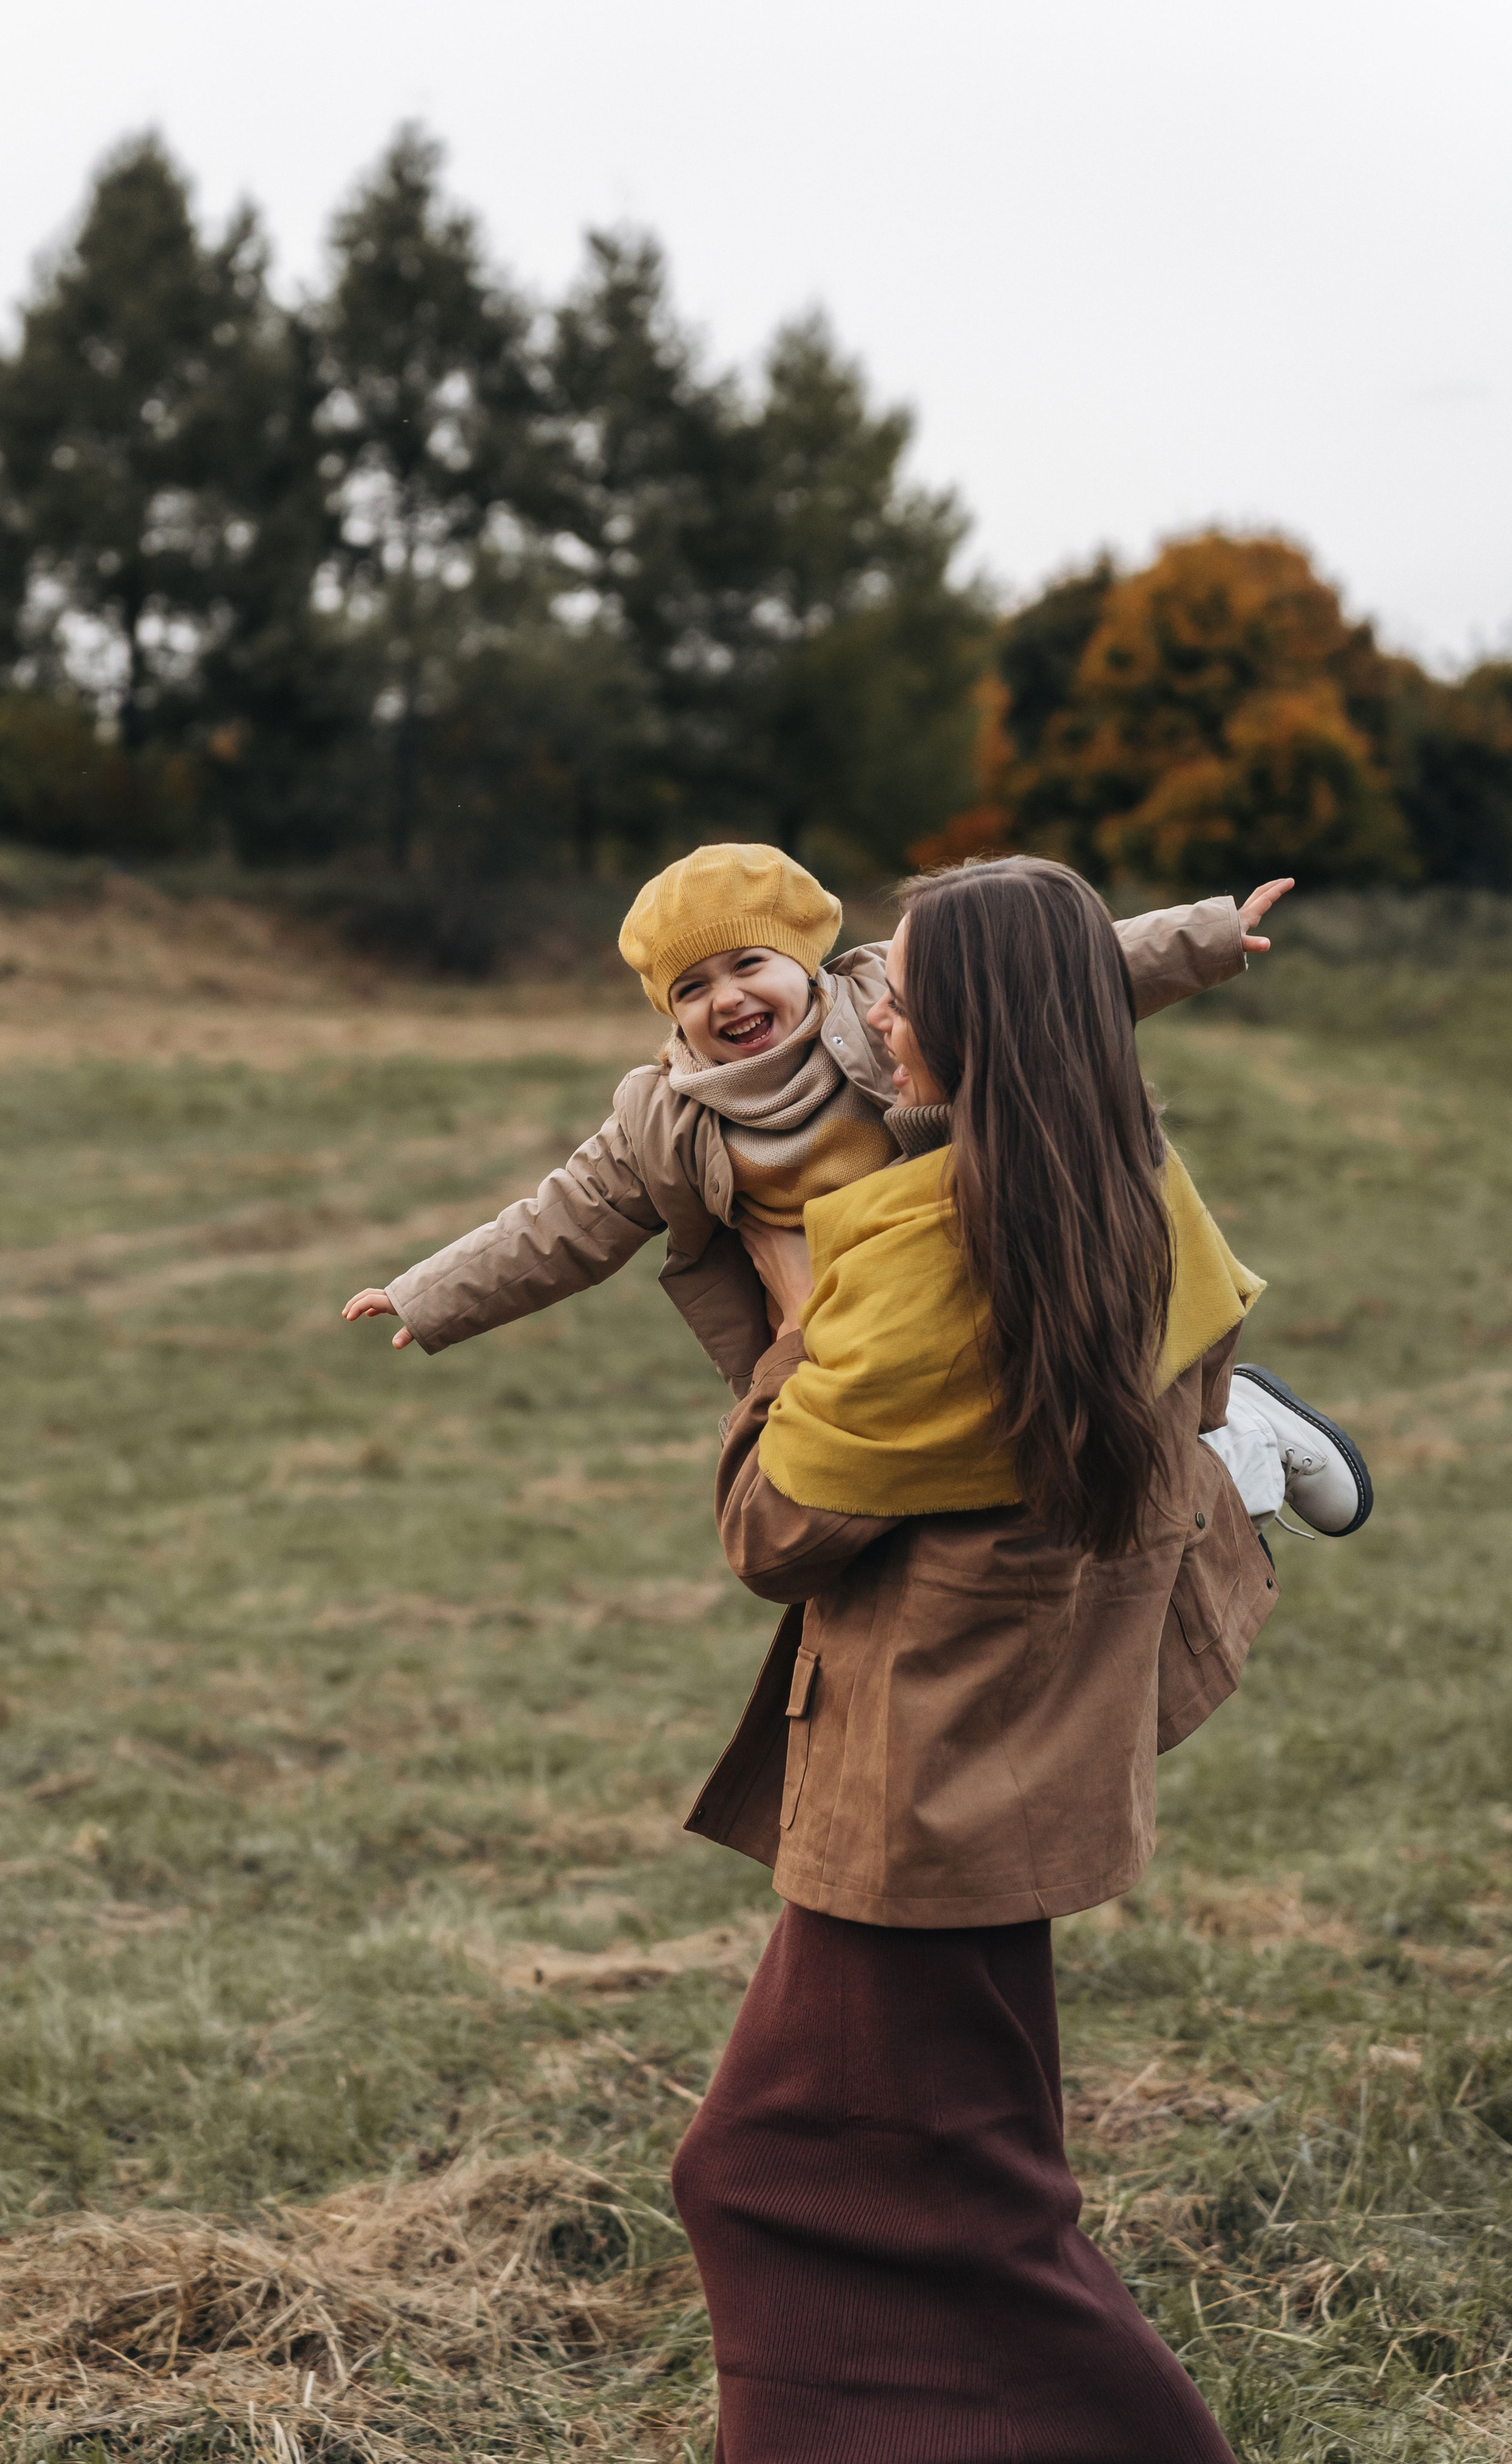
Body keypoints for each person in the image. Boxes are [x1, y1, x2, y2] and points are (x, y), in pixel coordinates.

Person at [670, 856, 1358, 2463]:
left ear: (973, 1024)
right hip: (1018, 1764)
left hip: (924, 1793)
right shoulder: (1126, 1181)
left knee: (809, 2181)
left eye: (895, 990)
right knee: (911, 2178)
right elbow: (1191, 1398)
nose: (868, 1014)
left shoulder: (913, 1265)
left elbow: (769, 1532)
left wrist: (787, 1310)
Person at [342, 842, 1362, 1536]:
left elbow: (1056, 973)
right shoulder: (661, 1116)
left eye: (748, 964)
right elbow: (563, 1220)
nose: (726, 998)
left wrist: (1211, 935)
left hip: (983, 1273)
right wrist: (432, 1292)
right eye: (691, 989)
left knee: (1077, 1463)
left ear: (805, 959)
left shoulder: (884, 992)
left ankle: (1236, 1439)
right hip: (841, 1335)